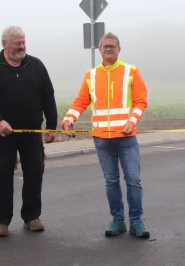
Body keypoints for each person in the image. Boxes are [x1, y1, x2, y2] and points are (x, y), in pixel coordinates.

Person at [61, 32, 151, 238]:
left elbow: (140, 101)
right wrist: (69, 119)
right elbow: (80, 101)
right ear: (99, 49)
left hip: (126, 138)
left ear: (119, 49)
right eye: (105, 46)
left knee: (133, 181)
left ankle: (136, 221)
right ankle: (117, 220)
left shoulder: (131, 71)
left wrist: (131, 122)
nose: (108, 49)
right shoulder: (91, 75)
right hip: (102, 138)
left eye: (112, 46)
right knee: (111, 181)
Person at [0, 26, 57, 237]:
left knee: (34, 173)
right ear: (4, 44)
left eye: (23, 42)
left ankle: (31, 217)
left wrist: (52, 125)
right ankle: (1, 221)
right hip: (2, 133)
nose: (21, 47)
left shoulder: (36, 65)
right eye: (17, 43)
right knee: (0, 175)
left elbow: (48, 95)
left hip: (31, 133)